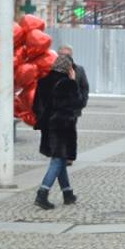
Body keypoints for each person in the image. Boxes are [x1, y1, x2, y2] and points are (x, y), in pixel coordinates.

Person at [32, 54, 83, 209]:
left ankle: (67, 193)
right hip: (62, 127)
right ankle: (42, 193)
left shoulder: (43, 82)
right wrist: (74, 81)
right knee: (58, 159)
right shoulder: (68, 84)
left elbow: (36, 106)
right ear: (68, 68)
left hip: (48, 126)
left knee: (59, 158)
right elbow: (77, 103)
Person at [56, 45, 89, 117]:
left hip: (73, 111)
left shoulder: (79, 70)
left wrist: (82, 104)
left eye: (67, 55)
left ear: (71, 56)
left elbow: (84, 88)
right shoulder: (50, 69)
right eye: (61, 54)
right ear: (57, 55)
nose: (64, 57)